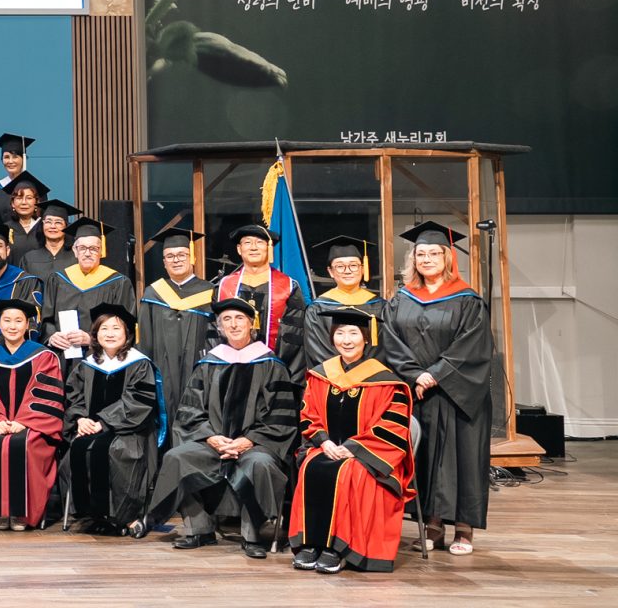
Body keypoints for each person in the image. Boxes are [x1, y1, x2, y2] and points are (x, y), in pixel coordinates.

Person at [146, 297, 298, 558]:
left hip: (256, 446)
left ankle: (252, 536)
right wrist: (211, 438)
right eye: (226, 319)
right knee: (176, 458)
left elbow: (280, 417)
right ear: (219, 327)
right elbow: (190, 411)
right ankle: (199, 529)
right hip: (212, 444)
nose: (234, 324)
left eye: (239, 318)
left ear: (251, 324)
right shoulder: (209, 364)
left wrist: (248, 440)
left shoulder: (272, 365)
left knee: (259, 464)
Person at [382, 220, 492, 556]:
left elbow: (472, 345)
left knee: (463, 459)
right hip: (418, 391)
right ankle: (431, 526)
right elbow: (391, 342)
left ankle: (464, 528)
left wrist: (436, 374)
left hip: (459, 393)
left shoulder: (468, 299)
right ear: (413, 259)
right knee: (426, 458)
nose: (427, 259)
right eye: (421, 254)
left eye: (434, 253)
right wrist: (416, 375)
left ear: (447, 257)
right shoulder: (401, 299)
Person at [290, 308, 416, 573]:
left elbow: (392, 427)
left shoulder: (385, 381)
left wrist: (352, 448)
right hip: (326, 448)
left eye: (353, 333)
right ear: (332, 337)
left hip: (370, 454)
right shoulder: (320, 375)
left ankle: (340, 549)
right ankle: (312, 543)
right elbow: (308, 414)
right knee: (311, 466)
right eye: (340, 333)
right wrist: (323, 442)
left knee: (350, 473)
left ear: (366, 338)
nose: (346, 340)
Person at [0, 298, 64, 531]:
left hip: (35, 426)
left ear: (27, 325)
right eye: (7, 321)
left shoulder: (44, 357)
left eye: (18, 321)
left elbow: (47, 397)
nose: (12, 326)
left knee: (26, 445)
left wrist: (24, 421)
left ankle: (21, 513)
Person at [64, 303, 162, 538]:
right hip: (90, 428)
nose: (109, 333)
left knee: (118, 453)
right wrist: (80, 419)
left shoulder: (139, 363)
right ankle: (93, 514)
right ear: (95, 334)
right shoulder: (87, 365)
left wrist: (104, 422)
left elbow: (138, 401)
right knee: (76, 451)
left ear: (127, 334)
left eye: (116, 328)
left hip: (129, 431)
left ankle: (124, 516)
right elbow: (73, 395)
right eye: (104, 328)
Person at [135, 227, 217, 436]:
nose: (176, 260)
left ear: (192, 257)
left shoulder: (209, 292)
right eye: (170, 256)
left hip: (198, 369)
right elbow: (145, 338)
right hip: (162, 371)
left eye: (182, 255)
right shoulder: (153, 293)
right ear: (164, 262)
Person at [44, 217, 137, 358]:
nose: (87, 253)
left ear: (101, 251)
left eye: (93, 249)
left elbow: (126, 324)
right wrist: (51, 336)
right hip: (62, 357)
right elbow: (46, 318)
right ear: (74, 251)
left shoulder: (119, 283)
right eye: (82, 248)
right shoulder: (57, 279)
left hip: (101, 357)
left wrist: (91, 339)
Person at [215, 223, 306, 365]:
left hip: (274, 367)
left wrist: (277, 369)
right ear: (239, 249)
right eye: (247, 242)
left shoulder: (289, 287)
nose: (253, 247)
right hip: (230, 368)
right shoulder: (223, 287)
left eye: (259, 242)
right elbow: (215, 332)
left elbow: (295, 336)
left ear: (269, 248)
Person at [300, 236, 385, 367]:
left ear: (363, 268)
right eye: (340, 266)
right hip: (332, 376)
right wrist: (343, 372)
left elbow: (383, 348)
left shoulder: (380, 306)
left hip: (373, 376)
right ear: (330, 271)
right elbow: (318, 351)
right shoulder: (317, 308)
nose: (347, 271)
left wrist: (367, 372)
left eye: (353, 265)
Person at [0, 133, 34, 217]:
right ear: (2, 160)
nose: (10, 161)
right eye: (6, 157)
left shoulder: (35, 188)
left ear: (24, 159)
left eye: (15, 157)